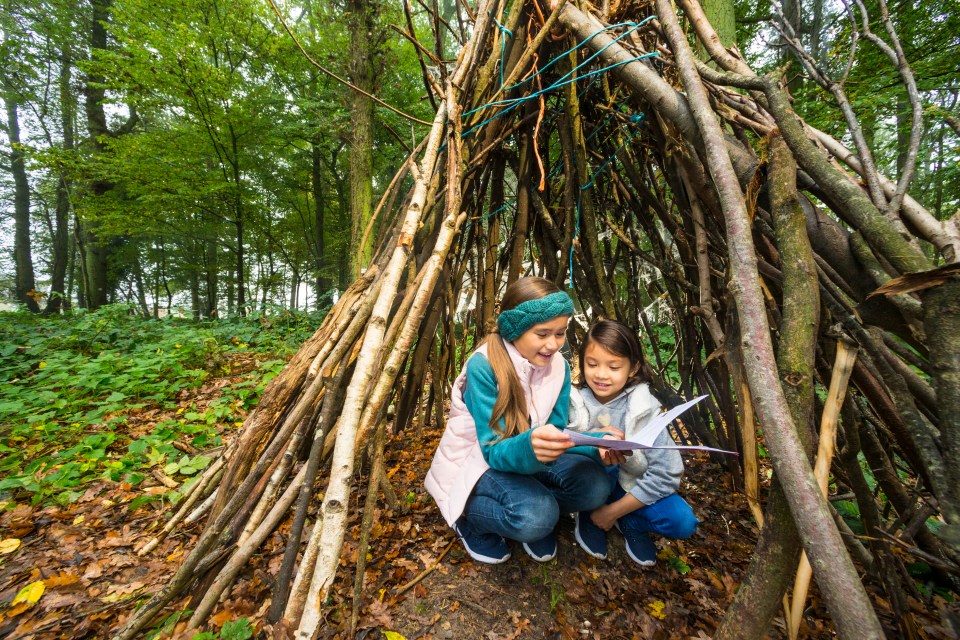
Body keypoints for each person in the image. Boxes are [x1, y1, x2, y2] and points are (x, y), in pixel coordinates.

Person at [425, 277, 611, 564]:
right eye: (542, 334)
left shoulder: (558, 367)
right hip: (480, 462)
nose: (553, 344)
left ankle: (535, 504)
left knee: (596, 486)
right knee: (537, 517)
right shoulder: (484, 366)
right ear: (515, 329)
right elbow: (494, 450)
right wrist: (532, 447)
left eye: (560, 333)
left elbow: (557, 432)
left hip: (529, 458)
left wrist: (598, 444)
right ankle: (471, 519)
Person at [567, 319, 699, 566]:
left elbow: (667, 473)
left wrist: (613, 513)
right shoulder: (573, 402)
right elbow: (555, 445)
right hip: (589, 483)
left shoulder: (644, 408)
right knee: (603, 452)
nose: (601, 374)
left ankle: (630, 522)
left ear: (633, 367)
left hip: (630, 485)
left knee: (683, 522)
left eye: (614, 366)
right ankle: (588, 514)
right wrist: (596, 439)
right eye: (592, 364)